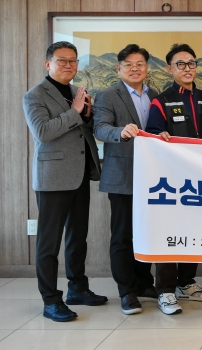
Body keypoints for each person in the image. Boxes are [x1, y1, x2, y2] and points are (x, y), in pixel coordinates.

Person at [23, 41, 107, 322]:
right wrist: (75, 111)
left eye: (73, 61)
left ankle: (78, 289)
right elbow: (43, 132)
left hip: (79, 174)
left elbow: (81, 129)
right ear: (48, 64)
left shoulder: (75, 91)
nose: (69, 65)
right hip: (53, 178)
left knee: (77, 237)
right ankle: (50, 300)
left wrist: (86, 115)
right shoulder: (34, 95)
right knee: (49, 243)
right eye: (62, 60)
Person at [146, 43, 202, 314]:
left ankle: (185, 283)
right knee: (169, 233)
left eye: (191, 63)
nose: (187, 69)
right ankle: (164, 290)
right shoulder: (161, 101)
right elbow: (152, 136)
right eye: (181, 64)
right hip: (172, 181)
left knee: (193, 231)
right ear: (169, 69)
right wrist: (158, 136)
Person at [93, 44, 159, 315]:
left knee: (146, 232)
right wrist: (120, 132)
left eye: (140, 63)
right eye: (128, 64)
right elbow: (100, 128)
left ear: (147, 68)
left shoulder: (154, 95)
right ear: (119, 68)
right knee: (122, 236)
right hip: (122, 175)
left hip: (152, 177)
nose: (135, 68)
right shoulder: (108, 95)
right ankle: (126, 291)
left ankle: (144, 283)